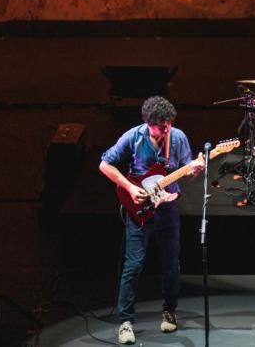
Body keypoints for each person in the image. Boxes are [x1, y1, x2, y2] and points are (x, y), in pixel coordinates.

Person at [99, 96, 205, 345]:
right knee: (133, 265)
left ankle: (170, 310)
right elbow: (105, 164)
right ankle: (125, 321)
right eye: (161, 126)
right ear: (148, 123)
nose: (166, 129)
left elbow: (185, 171)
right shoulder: (133, 137)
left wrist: (195, 169)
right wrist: (129, 187)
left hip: (167, 209)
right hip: (139, 209)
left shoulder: (178, 137)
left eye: (169, 123)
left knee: (171, 263)